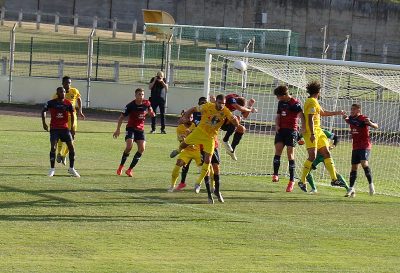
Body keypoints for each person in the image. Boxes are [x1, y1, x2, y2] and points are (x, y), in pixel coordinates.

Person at [171, 94, 239, 192]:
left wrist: (236, 122)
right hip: (200, 131)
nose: (221, 105)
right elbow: (193, 109)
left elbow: (235, 123)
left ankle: (198, 183)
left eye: (223, 104)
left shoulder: (226, 111)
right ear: (216, 102)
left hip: (210, 137)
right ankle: (178, 150)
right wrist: (186, 116)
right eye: (219, 103)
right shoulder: (208, 106)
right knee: (184, 143)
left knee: (208, 160)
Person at [298, 81, 345, 192]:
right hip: (311, 132)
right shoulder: (311, 101)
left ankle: (334, 179)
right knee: (312, 156)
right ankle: (302, 180)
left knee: (326, 152)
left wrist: (338, 112)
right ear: (318, 91)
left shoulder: (315, 102)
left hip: (319, 131)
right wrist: (313, 134)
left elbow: (322, 113)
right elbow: (309, 118)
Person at [113, 88, 155, 177]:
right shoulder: (130, 105)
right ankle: (121, 167)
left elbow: (150, 111)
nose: (141, 96)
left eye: (142, 94)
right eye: (139, 94)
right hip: (131, 128)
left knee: (142, 149)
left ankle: (129, 170)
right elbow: (121, 117)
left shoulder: (147, 103)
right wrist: (118, 129)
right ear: (135, 95)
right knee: (129, 147)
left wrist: (151, 113)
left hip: (140, 130)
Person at [41, 87, 80, 177]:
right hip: (54, 129)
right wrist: (44, 123)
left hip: (65, 129)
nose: (63, 93)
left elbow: (73, 114)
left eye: (63, 92)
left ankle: (71, 168)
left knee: (71, 147)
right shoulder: (51, 103)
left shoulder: (68, 103)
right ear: (57, 93)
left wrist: (72, 127)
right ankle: (52, 169)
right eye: (61, 92)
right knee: (53, 148)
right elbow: (43, 111)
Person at [343, 104, 379, 197]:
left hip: (365, 146)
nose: (351, 111)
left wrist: (370, 123)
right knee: (354, 167)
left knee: (364, 163)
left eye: (354, 109)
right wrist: (344, 116)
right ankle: (351, 189)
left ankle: (371, 185)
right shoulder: (350, 118)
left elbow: (376, 126)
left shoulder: (363, 118)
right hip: (355, 147)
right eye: (351, 109)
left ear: (359, 110)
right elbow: (347, 119)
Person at [272, 85, 303, 192]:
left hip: (291, 131)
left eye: (278, 96)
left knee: (290, 155)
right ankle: (275, 174)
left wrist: (301, 133)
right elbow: (278, 116)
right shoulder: (281, 103)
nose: (277, 98)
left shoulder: (295, 103)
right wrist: (276, 125)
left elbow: (302, 116)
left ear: (284, 95)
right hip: (281, 131)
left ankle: (291, 181)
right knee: (278, 151)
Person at [175, 97, 208, 191]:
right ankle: (182, 183)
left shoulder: (209, 113)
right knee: (185, 165)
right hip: (193, 147)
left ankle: (207, 185)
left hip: (204, 145)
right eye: (201, 103)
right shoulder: (196, 114)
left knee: (206, 166)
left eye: (205, 103)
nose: (203, 105)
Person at [302, 129, 349, 194]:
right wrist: (300, 141)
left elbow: (335, 137)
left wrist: (333, 146)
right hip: (315, 157)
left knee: (335, 173)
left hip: (325, 156)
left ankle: (348, 189)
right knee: (307, 171)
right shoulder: (308, 132)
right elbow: (299, 136)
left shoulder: (323, 132)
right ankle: (314, 189)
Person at [55, 76, 85, 165]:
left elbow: (79, 99)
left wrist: (80, 111)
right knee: (61, 135)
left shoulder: (74, 91)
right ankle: (59, 153)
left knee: (72, 136)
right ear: (62, 83)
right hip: (62, 117)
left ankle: (64, 155)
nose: (68, 85)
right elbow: (53, 104)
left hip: (72, 117)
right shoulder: (58, 93)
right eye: (66, 83)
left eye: (69, 83)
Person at [221, 93, 257, 161]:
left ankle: (232, 150)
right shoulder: (231, 99)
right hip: (219, 119)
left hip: (226, 120)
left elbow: (245, 115)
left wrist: (249, 106)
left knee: (242, 129)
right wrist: (250, 110)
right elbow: (240, 108)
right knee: (236, 118)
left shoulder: (239, 100)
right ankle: (225, 140)